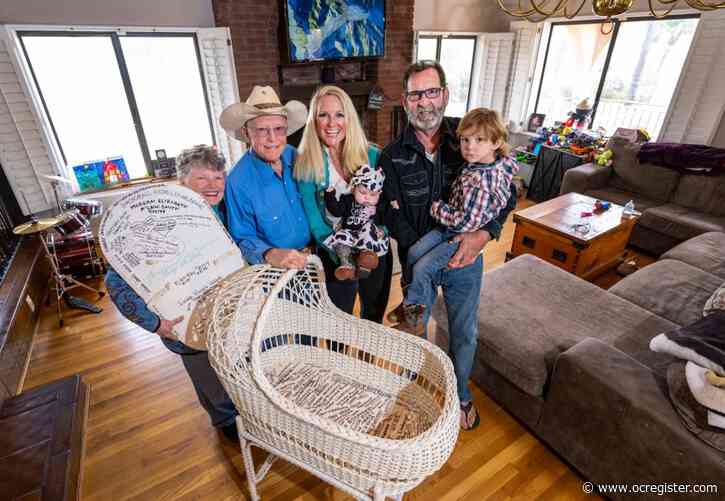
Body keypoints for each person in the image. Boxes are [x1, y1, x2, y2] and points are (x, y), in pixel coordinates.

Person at [379, 61, 517, 431]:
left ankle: (460, 394)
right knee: (416, 328)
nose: (424, 102)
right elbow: (388, 214)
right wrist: (420, 255)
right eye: (415, 94)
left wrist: (485, 234)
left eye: (431, 91)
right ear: (406, 101)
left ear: (445, 94)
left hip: (466, 255)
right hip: (421, 256)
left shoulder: (470, 137)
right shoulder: (391, 155)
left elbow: (508, 194)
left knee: (464, 331)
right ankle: (419, 390)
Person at [105, 144, 239, 440]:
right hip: (185, 323)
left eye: (218, 177)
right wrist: (153, 324)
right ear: (182, 183)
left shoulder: (222, 213)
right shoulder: (154, 221)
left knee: (231, 371)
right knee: (210, 381)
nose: (213, 185)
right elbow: (115, 281)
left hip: (224, 313)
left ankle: (241, 414)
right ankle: (226, 422)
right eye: (202, 178)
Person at [393, 108, 518, 335]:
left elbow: (466, 222)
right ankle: (411, 306)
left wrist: (437, 208)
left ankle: (415, 318)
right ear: (405, 100)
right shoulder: (489, 160)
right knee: (413, 253)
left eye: (479, 140)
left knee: (422, 268)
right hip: (444, 230)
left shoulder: (481, 178)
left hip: (457, 234)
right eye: (465, 140)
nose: (470, 146)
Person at [294, 85, 391, 321]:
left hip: (374, 250)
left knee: (374, 317)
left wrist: (375, 238)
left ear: (349, 118)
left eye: (339, 114)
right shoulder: (306, 165)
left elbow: (386, 207)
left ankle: (367, 358)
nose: (331, 123)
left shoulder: (373, 156)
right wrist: (341, 252)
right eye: (323, 115)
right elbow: (316, 222)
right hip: (335, 254)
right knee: (338, 322)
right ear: (313, 121)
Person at [220, 86, 311, 269]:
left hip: (317, 257)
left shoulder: (296, 156)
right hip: (278, 271)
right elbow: (243, 237)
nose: (272, 139)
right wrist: (269, 253)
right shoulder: (237, 182)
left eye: (279, 129)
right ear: (246, 133)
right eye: (262, 130)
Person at [323, 164, 388, 280]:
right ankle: (346, 264)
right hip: (350, 234)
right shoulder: (348, 200)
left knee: (370, 231)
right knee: (341, 239)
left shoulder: (377, 207)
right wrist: (330, 195)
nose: (367, 197)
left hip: (365, 238)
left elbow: (382, 220)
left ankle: (366, 261)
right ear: (353, 188)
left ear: (379, 194)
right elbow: (336, 211)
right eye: (362, 192)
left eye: (372, 195)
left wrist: (381, 230)